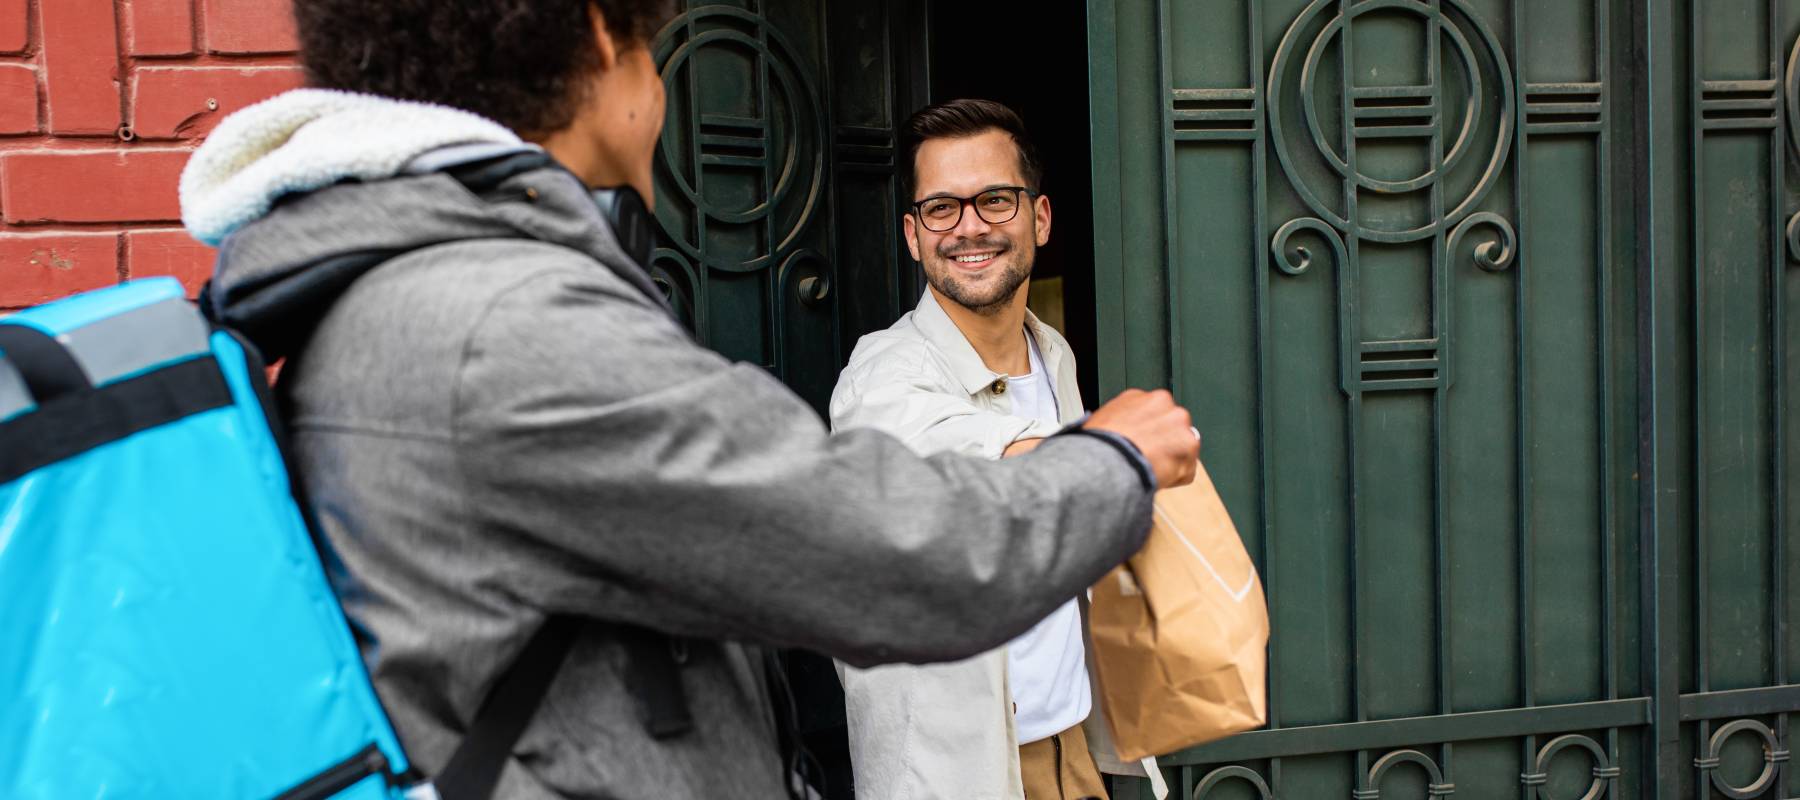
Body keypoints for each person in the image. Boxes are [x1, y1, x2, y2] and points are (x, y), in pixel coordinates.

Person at [176, 2, 1198, 798]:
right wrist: (1112, 459)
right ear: (596, 36)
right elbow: (893, 548)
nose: (660, 90)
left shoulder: (416, 284)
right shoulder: (509, 320)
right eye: (654, 48)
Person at [829, 99, 1163, 800]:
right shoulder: (879, 377)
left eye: (995, 200)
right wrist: (1121, 452)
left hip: (1070, 745)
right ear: (913, 236)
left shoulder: (1054, 354)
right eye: (942, 209)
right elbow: (977, 472)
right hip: (954, 772)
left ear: (1039, 217)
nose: (970, 226)